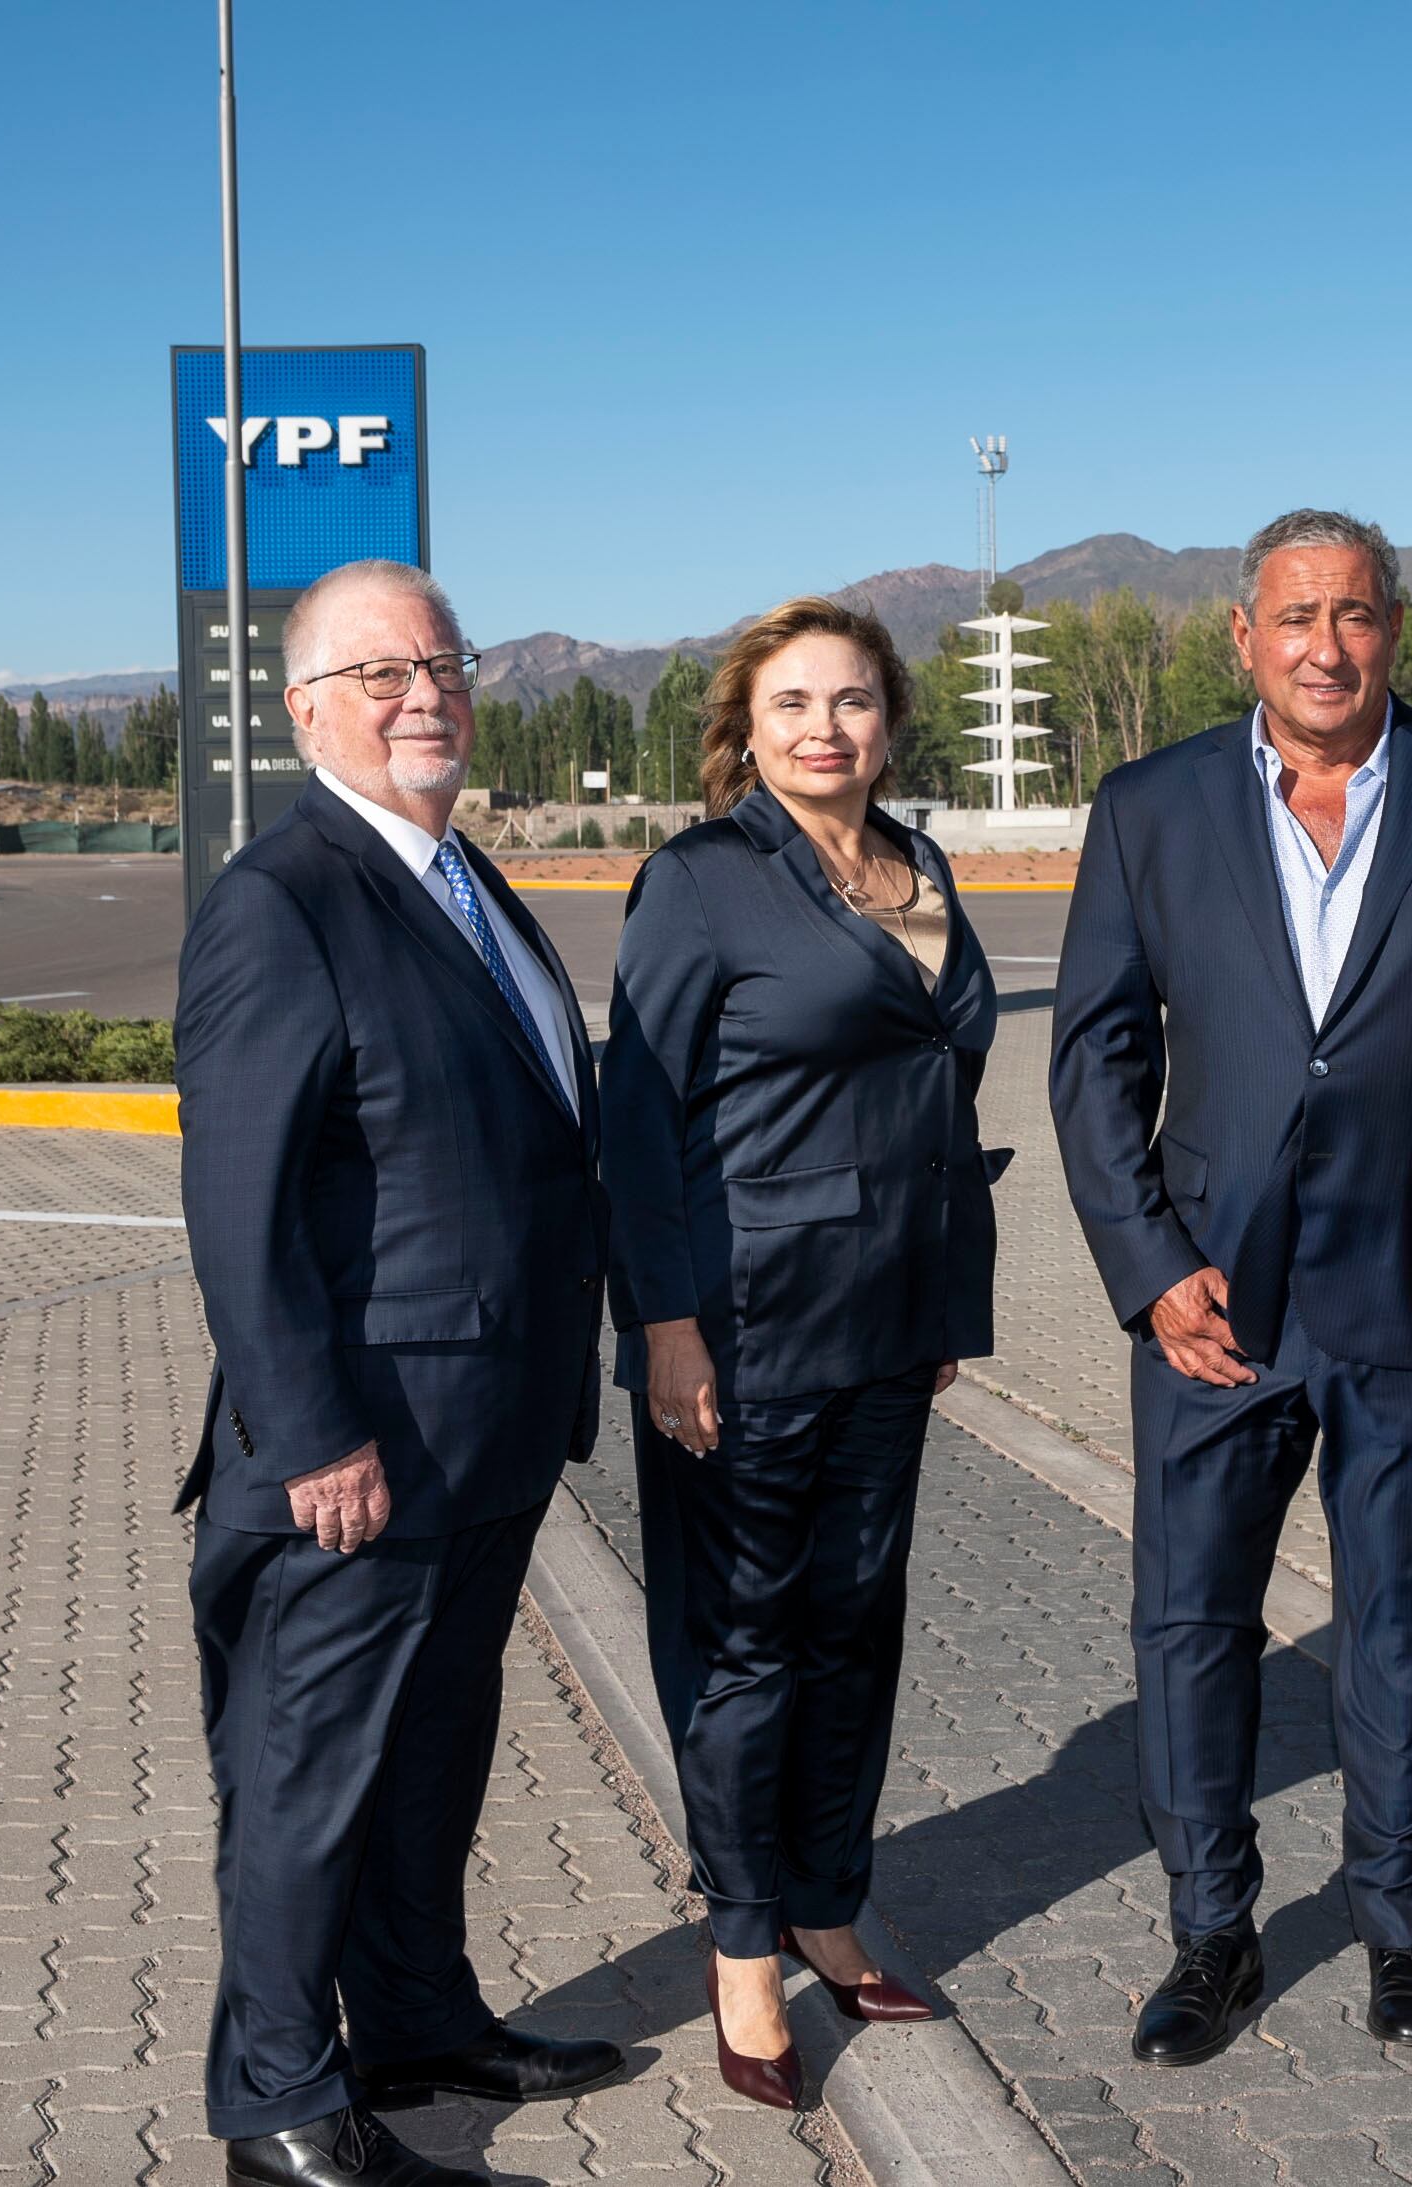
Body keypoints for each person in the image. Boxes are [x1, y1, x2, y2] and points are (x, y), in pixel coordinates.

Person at [1049, 508, 1412, 2065]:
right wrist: (1146, 1263)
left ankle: (1399, 1923)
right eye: (1294, 616)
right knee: (1190, 1621)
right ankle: (1211, 1933)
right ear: (1243, 636)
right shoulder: (1150, 806)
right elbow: (1096, 1056)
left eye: (1355, 614)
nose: (1325, 644)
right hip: (1211, 1301)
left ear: (1393, 630)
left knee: (1397, 1617)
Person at [176, 559, 621, 2185]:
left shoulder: (466, 881)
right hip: (358, 1447)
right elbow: (238, 1205)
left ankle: (421, 2016)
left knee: (432, 1747)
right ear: (305, 711)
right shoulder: (281, 898)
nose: (422, 690)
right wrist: (309, 1432)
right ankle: (276, 2099)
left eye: (442, 661)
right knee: (308, 1774)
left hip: (489, 1432)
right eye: (378, 671)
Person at [601, 598, 999, 2113]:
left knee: (856, 1624)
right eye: (792, 703)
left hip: (894, 1323)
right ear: (746, 728)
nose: (824, 726)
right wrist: (666, 1322)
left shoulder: (922, 862)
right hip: (747, 1325)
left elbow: (933, 1093)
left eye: (850, 699)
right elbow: (635, 1120)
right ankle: (745, 1943)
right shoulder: (702, 881)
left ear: (888, 717)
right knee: (746, 1642)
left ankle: (832, 1897)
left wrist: (946, 1294)